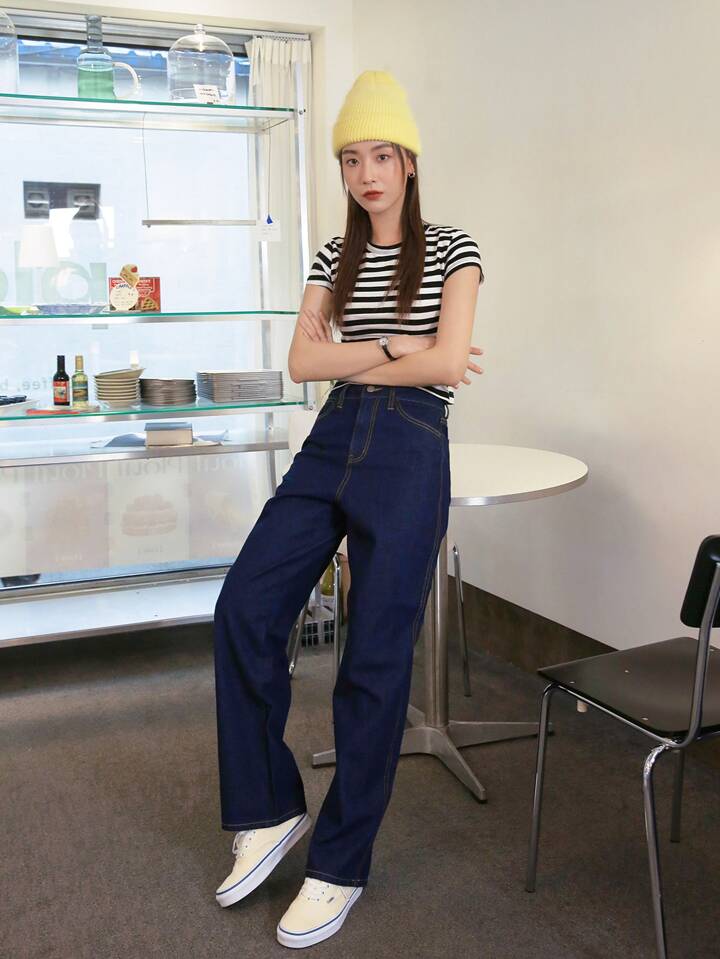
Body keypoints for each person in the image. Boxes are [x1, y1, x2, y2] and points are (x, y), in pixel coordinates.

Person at [212, 69, 485, 949]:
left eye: (382, 156)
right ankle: (268, 807)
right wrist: (397, 342)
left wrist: (369, 352)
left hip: (410, 443)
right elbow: (303, 363)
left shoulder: (455, 248)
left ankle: (339, 864)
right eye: (351, 160)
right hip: (333, 436)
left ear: (410, 163)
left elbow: (448, 365)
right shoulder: (334, 257)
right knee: (244, 605)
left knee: (372, 658)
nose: (366, 174)